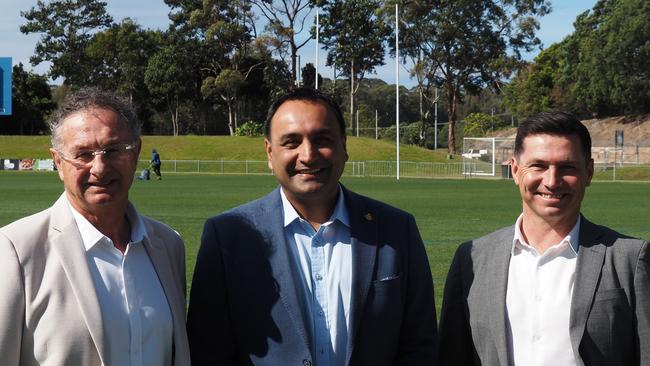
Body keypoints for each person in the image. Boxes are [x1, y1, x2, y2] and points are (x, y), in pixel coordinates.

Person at [187, 87, 437, 366]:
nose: (308, 155)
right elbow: (209, 352)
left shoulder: (396, 229)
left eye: (322, 139)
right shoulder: (227, 237)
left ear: (344, 145)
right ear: (270, 153)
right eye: (291, 142)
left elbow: (420, 347)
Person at [438, 111, 649, 366]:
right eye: (538, 166)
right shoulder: (472, 258)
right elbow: (451, 355)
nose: (551, 181)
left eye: (567, 167)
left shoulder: (630, 259)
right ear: (515, 170)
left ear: (589, 172)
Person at [0, 88, 190, 366]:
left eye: (113, 150)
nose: (99, 168)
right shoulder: (15, 249)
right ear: (58, 163)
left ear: (135, 152)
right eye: (83, 154)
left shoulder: (169, 245)